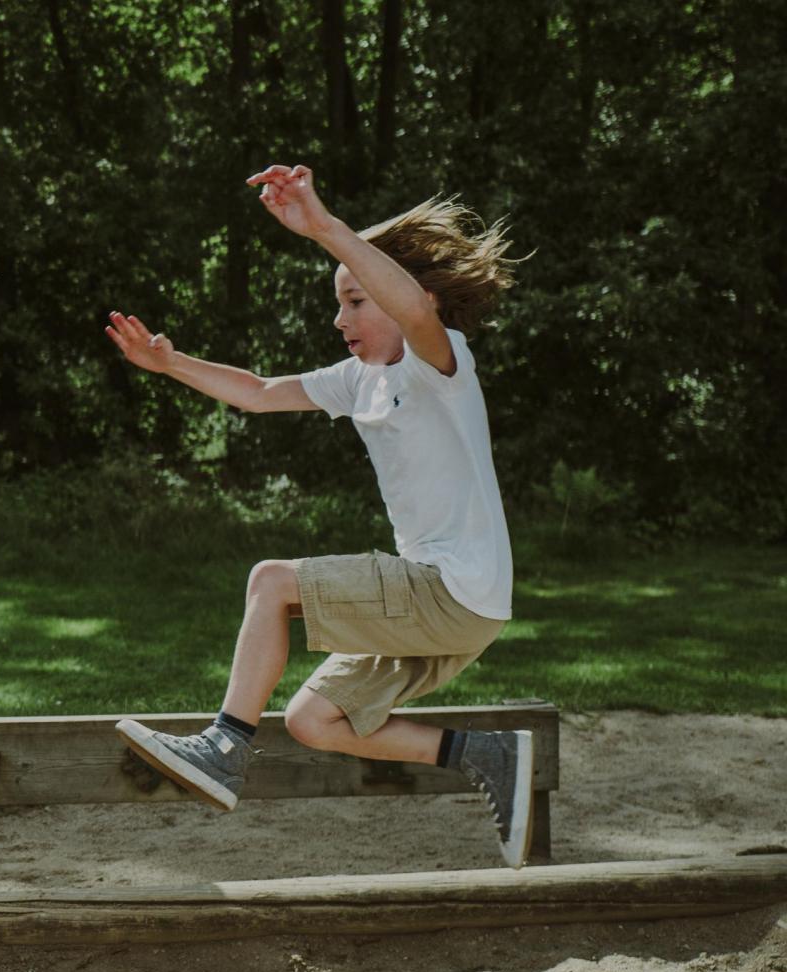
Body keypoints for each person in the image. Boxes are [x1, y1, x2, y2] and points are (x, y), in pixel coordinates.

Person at [105, 164, 534, 867]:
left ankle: (223, 747)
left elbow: (416, 313)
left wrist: (324, 226)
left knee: (271, 581)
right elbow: (258, 392)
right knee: (313, 718)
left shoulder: (438, 363)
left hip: (456, 588)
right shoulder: (358, 381)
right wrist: (171, 363)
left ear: (410, 298)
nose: (340, 319)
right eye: (340, 303)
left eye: (356, 300)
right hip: (458, 606)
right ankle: (486, 754)